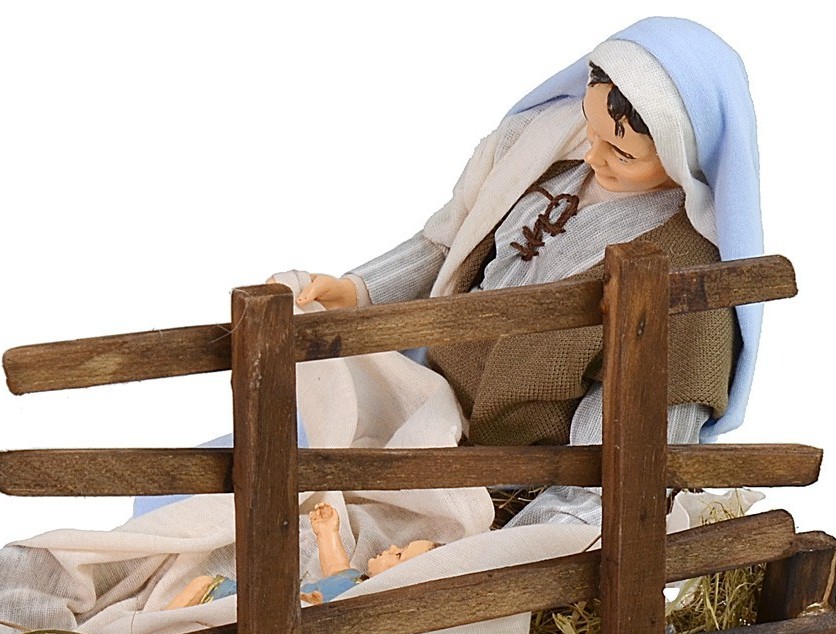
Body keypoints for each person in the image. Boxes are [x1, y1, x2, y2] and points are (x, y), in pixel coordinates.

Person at [293, 17, 762, 470]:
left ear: (682, 154)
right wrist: (359, 290)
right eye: (591, 127)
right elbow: (447, 244)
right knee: (296, 335)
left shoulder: (683, 267)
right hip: (426, 383)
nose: (593, 157)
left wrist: (573, 504)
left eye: (623, 153)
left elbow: (638, 426)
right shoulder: (542, 155)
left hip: (511, 454)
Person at [164, 502, 436, 608]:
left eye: (399, 555)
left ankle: (155, 632)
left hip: (271, 614)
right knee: (203, 584)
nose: (392, 547)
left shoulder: (361, 602)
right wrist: (327, 532)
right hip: (268, 604)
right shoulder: (354, 581)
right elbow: (335, 569)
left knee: (202, 585)